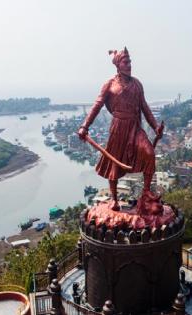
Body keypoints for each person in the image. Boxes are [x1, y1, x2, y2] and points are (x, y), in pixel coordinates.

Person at [78, 47, 163, 211]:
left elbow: (144, 107)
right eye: (126, 62)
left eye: (130, 61)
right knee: (114, 166)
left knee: (149, 154)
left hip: (135, 127)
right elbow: (97, 105)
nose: (129, 65)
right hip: (118, 128)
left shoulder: (137, 84)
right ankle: (114, 199)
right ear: (118, 65)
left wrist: (155, 126)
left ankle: (145, 193)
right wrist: (84, 126)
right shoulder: (109, 85)